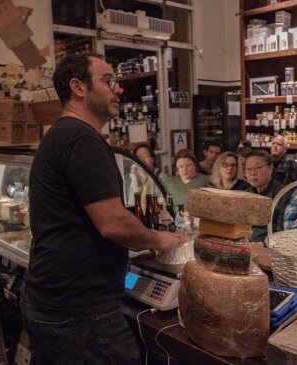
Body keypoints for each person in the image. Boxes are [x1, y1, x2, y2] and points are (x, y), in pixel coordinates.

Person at [23, 54, 187, 365]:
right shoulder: (81, 139)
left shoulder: (61, 134)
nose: (118, 90)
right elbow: (113, 224)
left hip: (52, 299)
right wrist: (161, 240)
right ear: (78, 87)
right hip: (80, 311)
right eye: (107, 81)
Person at [244, 150, 286, 244]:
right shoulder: (245, 194)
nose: (252, 173)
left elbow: (283, 231)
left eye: (258, 167)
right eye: (248, 169)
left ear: (270, 168)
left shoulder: (283, 195)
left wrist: (263, 244)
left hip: (269, 248)